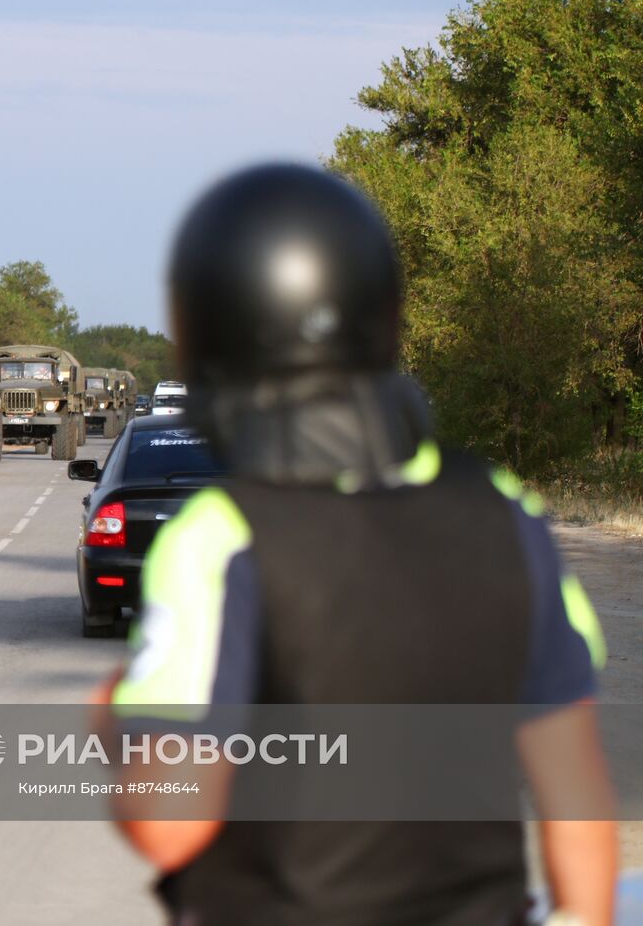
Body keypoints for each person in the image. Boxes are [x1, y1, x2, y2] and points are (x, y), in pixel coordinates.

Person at [104, 164, 615, 925]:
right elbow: (576, 800)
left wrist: (115, 716)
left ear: (206, 335)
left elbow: (168, 824)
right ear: (384, 315)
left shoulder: (224, 534)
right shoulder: (505, 510)